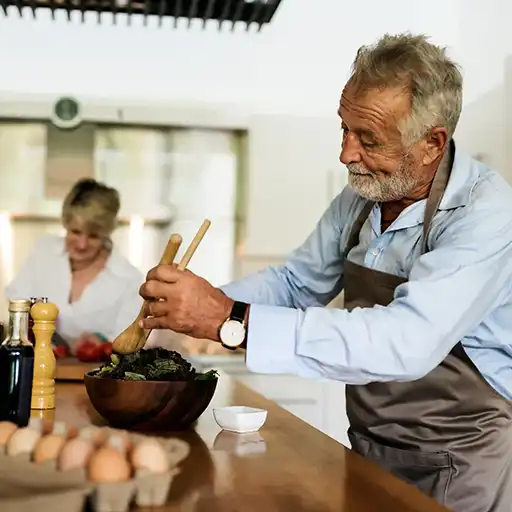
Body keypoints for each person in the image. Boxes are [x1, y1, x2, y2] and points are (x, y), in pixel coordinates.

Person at [138, 33, 512, 512]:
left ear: (431, 143)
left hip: (464, 461)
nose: (345, 154)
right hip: (371, 445)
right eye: (345, 129)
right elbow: (296, 284)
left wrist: (228, 319)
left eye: (368, 138)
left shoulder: (486, 215)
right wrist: (194, 305)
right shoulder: (363, 195)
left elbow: (407, 342)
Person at [6, 178, 143, 352]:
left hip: (95, 375)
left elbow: (127, 343)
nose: (81, 245)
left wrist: (100, 342)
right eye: (75, 232)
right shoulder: (43, 251)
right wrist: (32, 315)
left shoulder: (130, 279)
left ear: (108, 231)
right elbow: (16, 300)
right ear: (65, 224)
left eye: (93, 236)